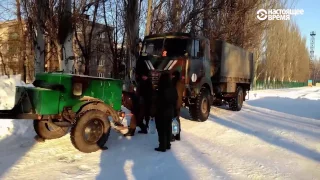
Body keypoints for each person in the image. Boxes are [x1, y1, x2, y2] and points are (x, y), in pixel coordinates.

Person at [154, 72, 178, 152]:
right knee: (168, 128)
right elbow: (176, 99)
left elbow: (158, 101)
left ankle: (162, 146)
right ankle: (168, 144)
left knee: (161, 129)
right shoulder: (172, 87)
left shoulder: (161, 89)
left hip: (162, 111)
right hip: (170, 111)